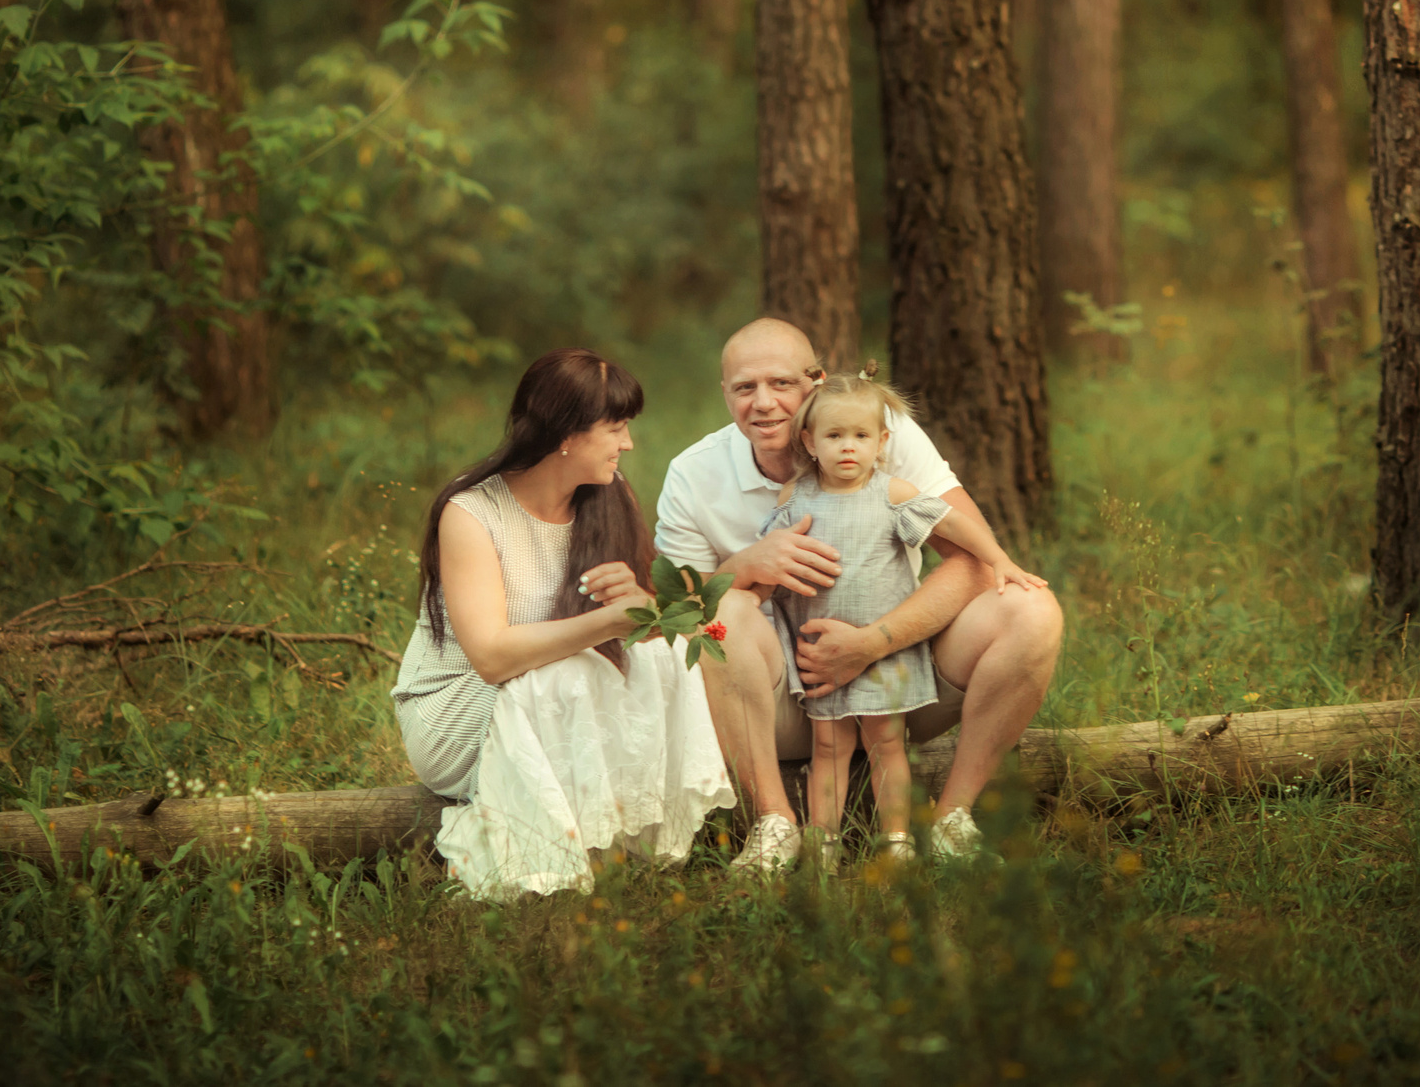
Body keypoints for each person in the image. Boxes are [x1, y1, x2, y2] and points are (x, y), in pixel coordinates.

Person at [645, 318, 1065, 874]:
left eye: (782, 384)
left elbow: (975, 565)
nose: (764, 403)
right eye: (745, 388)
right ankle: (775, 824)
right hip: (777, 698)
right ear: (725, 393)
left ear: (815, 382)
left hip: (900, 679)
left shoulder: (872, 430)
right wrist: (744, 567)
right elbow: (679, 615)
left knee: (1032, 609)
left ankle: (951, 820)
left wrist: (872, 643)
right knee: (723, 613)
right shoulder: (694, 474)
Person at [391, 350, 733, 899]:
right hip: (460, 709)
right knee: (567, 675)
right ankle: (543, 858)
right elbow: (491, 658)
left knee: (659, 658)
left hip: (554, 689)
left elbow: (635, 622)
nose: (628, 444)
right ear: (566, 434)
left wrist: (638, 601)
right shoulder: (472, 512)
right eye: (616, 428)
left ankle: (620, 841)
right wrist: (605, 623)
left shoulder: (608, 496)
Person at [758, 369, 1047, 868]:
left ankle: (896, 840)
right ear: (808, 441)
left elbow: (953, 522)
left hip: (881, 650)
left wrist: (999, 559)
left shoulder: (889, 493)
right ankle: (821, 840)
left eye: (861, 436)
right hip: (820, 652)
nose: (848, 448)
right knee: (829, 747)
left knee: (886, 743)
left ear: (882, 441)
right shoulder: (796, 499)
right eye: (834, 436)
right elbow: (775, 564)